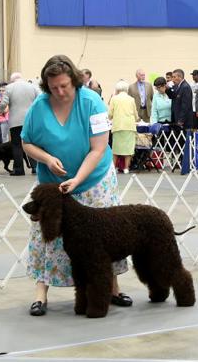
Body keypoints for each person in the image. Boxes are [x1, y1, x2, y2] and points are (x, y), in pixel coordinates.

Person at [21, 54, 131, 317]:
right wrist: (47, 158)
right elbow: (27, 142)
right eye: (53, 87)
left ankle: (113, 289)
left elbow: (99, 148)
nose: (59, 92)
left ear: (75, 80)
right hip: (53, 185)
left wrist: (78, 179)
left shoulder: (92, 102)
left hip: (95, 181)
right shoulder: (39, 106)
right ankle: (40, 295)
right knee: (46, 237)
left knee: (106, 238)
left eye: (64, 86)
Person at [0, 72, 39, 176]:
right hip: (31, 120)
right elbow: (40, 100)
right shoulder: (32, 86)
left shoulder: (9, 87)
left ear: (12, 80)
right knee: (31, 143)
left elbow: (4, 103)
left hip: (15, 121)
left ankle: (19, 169)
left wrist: (1, 110)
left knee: (17, 145)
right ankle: (35, 167)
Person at [108, 80, 138, 174]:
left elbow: (110, 114)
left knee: (116, 148)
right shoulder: (131, 99)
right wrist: (137, 119)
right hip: (129, 126)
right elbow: (135, 113)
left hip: (118, 126)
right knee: (128, 149)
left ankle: (114, 167)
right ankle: (126, 168)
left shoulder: (114, 99)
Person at [168, 69, 193, 166]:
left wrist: (181, 120)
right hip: (177, 119)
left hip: (184, 121)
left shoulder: (185, 87)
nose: (173, 79)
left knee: (184, 142)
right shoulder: (177, 86)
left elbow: (185, 105)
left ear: (179, 77)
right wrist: (166, 89)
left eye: (174, 77)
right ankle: (183, 161)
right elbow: (173, 96)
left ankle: (186, 162)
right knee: (180, 141)